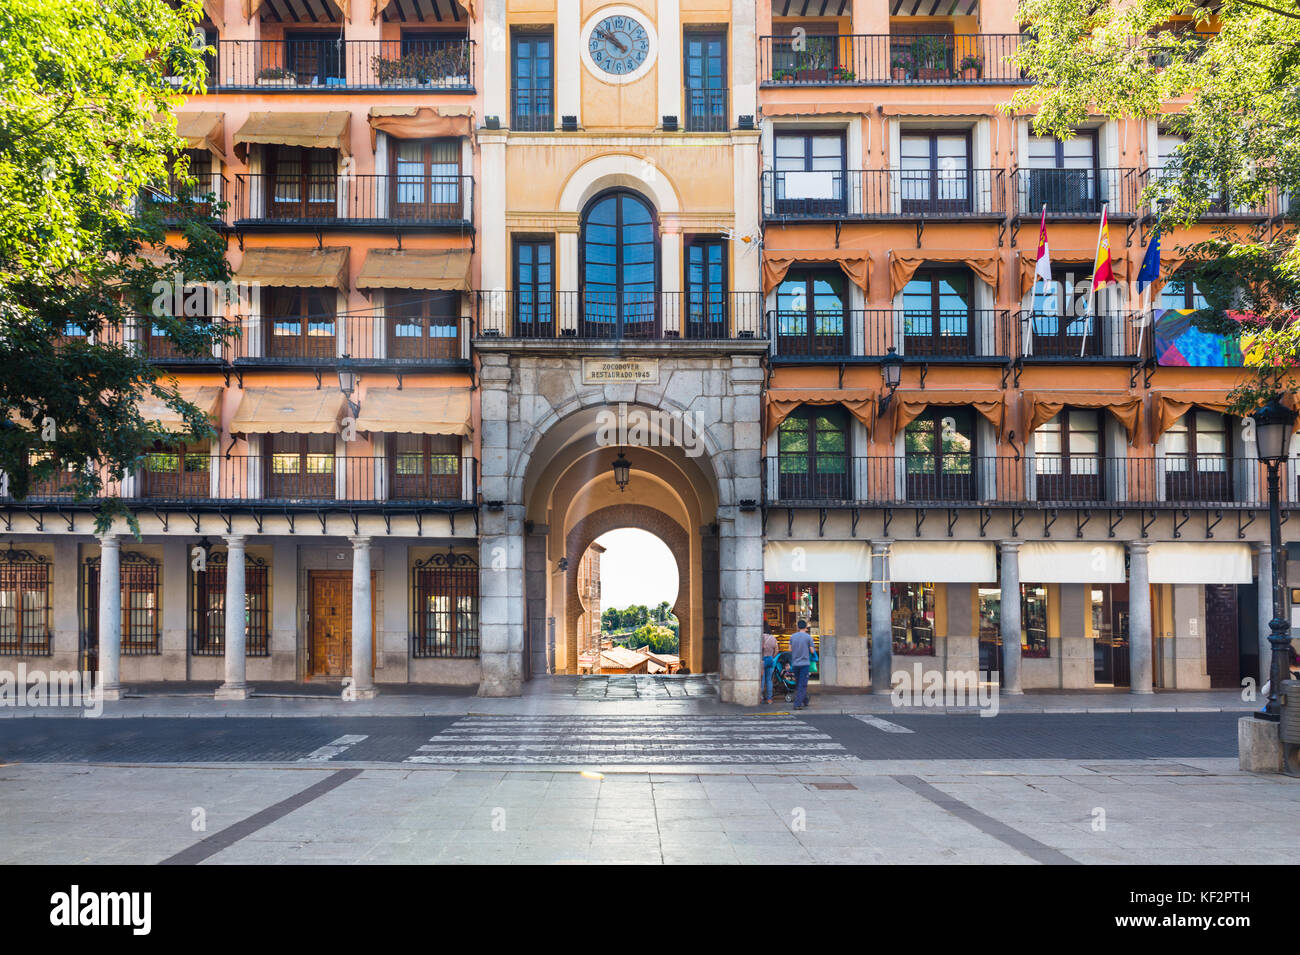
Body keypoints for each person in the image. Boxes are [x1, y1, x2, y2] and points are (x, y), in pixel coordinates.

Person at [789, 619, 815, 710]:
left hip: (795, 663)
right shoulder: (808, 637)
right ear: (806, 627)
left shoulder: (792, 636)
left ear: (798, 627)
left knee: (799, 683)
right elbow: (812, 650)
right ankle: (797, 704)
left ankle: (805, 700)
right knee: (803, 684)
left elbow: (790, 649)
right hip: (804, 663)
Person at [761, 630, 778, 704]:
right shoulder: (773, 638)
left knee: (762, 680)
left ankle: (760, 697)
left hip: (762, 659)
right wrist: (772, 657)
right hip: (770, 659)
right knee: (769, 680)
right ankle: (769, 699)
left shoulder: (762, 637)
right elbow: (777, 650)